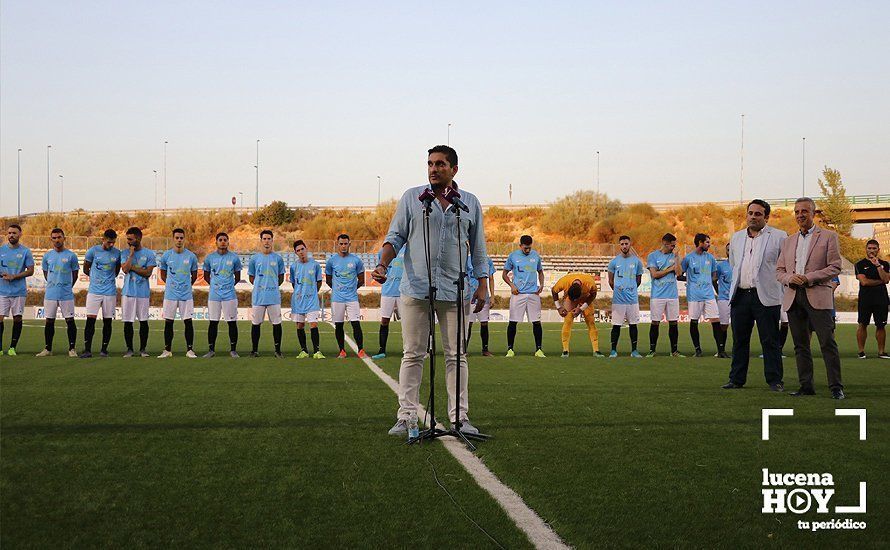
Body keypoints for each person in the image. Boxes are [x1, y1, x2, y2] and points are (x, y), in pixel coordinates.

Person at [372, 145, 489, 436]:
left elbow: (478, 248)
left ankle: (460, 419)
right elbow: (395, 237)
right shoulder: (413, 198)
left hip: (455, 290)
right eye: (430, 164)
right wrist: (383, 264)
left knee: (456, 355)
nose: (433, 169)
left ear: (454, 169)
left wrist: (483, 284)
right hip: (415, 289)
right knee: (413, 354)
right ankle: (406, 417)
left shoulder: (470, 203)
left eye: (440, 164)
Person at [776, 197, 844, 399]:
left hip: (818, 296)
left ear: (814, 214)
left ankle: (836, 387)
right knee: (800, 345)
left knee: (827, 343)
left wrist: (808, 278)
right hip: (793, 297)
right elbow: (779, 271)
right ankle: (806, 386)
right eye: (797, 212)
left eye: (804, 211)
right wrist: (790, 278)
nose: (800, 215)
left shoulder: (829, 237)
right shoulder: (788, 241)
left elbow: (835, 266)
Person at [723, 199, 787, 391]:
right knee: (739, 340)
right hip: (741, 295)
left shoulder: (779, 236)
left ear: (766, 217)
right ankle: (736, 379)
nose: (753, 217)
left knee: (770, 340)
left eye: (758, 214)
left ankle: (775, 380)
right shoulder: (736, 237)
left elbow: (783, 265)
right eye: (750, 213)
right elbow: (734, 264)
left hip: (766, 295)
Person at [37, 228, 79, 357]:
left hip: (66, 294)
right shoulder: (47, 256)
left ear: (64, 238)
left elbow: (75, 275)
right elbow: (46, 273)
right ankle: (47, 349)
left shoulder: (71, 256)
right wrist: (53, 284)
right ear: (51, 240)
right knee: (49, 321)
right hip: (50, 294)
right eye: (54, 238)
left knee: (70, 320)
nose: (57, 240)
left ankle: (72, 349)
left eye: (59, 237)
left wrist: (66, 286)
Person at [680, 233, 724, 357]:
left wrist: (712, 285)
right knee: (694, 321)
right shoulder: (688, 258)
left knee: (716, 320)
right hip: (694, 295)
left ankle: (720, 350)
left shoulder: (710, 258)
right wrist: (691, 281)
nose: (709, 245)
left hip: (709, 295)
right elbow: (680, 273)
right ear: (700, 242)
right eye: (707, 242)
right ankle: (698, 350)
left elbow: (714, 275)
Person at [158, 228, 199, 358]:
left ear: (184, 239)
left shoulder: (191, 256)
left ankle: (190, 350)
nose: (179, 240)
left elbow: (194, 275)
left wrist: (185, 286)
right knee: (169, 322)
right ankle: (167, 350)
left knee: (188, 321)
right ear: (173, 239)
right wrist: (171, 285)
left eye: (181, 238)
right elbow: (163, 274)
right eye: (177, 238)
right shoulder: (166, 256)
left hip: (186, 295)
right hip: (170, 294)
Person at [80, 229, 121, 358]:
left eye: (113, 242)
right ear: (103, 239)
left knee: (107, 321)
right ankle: (87, 350)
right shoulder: (93, 251)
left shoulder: (117, 253)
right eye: (109, 242)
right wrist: (96, 278)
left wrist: (107, 280)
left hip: (109, 292)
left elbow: (117, 270)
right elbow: (86, 268)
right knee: (90, 320)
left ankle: (104, 349)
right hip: (94, 291)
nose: (111, 245)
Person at [503, 235, 545, 357]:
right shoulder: (513, 256)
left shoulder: (535, 255)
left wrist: (541, 284)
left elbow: (540, 272)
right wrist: (511, 285)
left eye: (529, 248)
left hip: (533, 294)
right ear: (520, 245)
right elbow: (504, 274)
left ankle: (539, 350)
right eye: (525, 248)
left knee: (536, 322)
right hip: (518, 294)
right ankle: (510, 349)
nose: (527, 250)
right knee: (513, 321)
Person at [326, 234, 366, 358]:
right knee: (339, 324)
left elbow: (361, 279)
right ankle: (342, 351)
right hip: (337, 299)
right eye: (341, 244)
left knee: (356, 323)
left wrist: (352, 289)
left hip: (352, 298)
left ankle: (360, 350)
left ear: (349, 244)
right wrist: (338, 290)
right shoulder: (331, 261)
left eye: (345, 243)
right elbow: (328, 280)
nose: (343, 246)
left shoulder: (356, 260)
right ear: (337, 244)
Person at [202, 232, 242, 358]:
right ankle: (211, 350)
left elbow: (238, 277)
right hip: (214, 296)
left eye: (225, 239)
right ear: (216, 242)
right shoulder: (210, 258)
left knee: (231, 322)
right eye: (220, 239)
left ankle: (233, 350)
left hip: (229, 295)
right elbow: (206, 275)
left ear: (228, 242)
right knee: (213, 322)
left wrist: (227, 287)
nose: (223, 242)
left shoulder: (234, 258)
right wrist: (215, 285)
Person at [248, 229, 285, 358]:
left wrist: (271, 286)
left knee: (276, 323)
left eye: (269, 239)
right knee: (256, 324)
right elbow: (251, 277)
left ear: (272, 240)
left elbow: (281, 277)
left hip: (273, 297)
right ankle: (254, 350)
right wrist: (260, 286)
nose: (267, 241)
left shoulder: (278, 259)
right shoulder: (254, 259)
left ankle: (277, 350)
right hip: (258, 297)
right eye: (264, 239)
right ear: (261, 240)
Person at [646, 233, 684, 357]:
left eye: (674, 245)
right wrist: (669, 269)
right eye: (672, 246)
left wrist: (677, 258)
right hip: (657, 295)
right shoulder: (653, 256)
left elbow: (678, 274)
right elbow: (654, 275)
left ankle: (674, 351)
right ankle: (652, 350)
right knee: (655, 322)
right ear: (664, 243)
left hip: (672, 295)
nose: (673, 248)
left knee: (673, 322)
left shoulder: (675, 255)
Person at [120, 227, 156, 357]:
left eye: (131, 239)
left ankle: (143, 349)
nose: (128, 241)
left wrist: (133, 268)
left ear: (139, 238)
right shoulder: (124, 253)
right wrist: (131, 254)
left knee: (143, 321)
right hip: (128, 292)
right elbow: (125, 269)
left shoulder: (149, 254)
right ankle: (129, 349)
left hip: (143, 293)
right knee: (128, 322)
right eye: (127, 239)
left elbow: (147, 273)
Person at [0, 224, 35, 356]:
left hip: (18, 292)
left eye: (14, 233)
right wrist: (3, 275)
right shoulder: (1, 250)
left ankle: (12, 348)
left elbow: (30, 271)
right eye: (9, 233)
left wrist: (14, 276)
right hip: (2, 291)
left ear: (20, 234)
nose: (11, 235)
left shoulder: (25, 251)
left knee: (17, 319)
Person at [607, 235, 644, 357]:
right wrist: (619, 291)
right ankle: (613, 350)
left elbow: (638, 280)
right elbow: (611, 281)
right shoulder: (613, 262)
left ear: (630, 244)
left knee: (633, 325)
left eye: (626, 244)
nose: (624, 246)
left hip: (632, 300)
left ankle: (634, 350)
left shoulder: (637, 262)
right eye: (622, 244)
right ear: (619, 246)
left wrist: (630, 290)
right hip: (618, 300)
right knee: (616, 325)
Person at [551, 272, 603, 357]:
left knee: (591, 322)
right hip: (569, 298)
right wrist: (559, 307)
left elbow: (593, 295)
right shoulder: (564, 281)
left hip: (586, 298)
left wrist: (581, 308)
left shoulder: (589, 282)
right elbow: (554, 291)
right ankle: (565, 351)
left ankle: (596, 350)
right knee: (567, 319)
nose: (575, 301)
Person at [855, 239, 890, 358]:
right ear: (866, 249)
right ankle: (861, 351)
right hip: (865, 299)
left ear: (878, 250)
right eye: (869, 248)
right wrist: (880, 281)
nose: (871, 250)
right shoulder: (859, 264)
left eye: (874, 248)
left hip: (881, 298)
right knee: (862, 324)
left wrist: (878, 266)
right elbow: (864, 282)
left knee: (881, 325)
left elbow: (886, 279)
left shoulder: (885, 264)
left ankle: (881, 351)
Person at [290, 239, 325, 359]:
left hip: (312, 300)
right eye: (298, 250)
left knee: (313, 324)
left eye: (302, 249)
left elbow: (319, 281)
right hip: (298, 301)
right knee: (300, 325)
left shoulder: (315, 265)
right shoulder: (294, 266)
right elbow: (294, 284)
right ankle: (304, 351)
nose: (301, 252)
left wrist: (312, 293)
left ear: (306, 249)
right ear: (296, 253)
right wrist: (300, 293)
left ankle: (317, 351)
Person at [373, 247, 404, 359]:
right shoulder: (384, 251)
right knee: (384, 320)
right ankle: (382, 350)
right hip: (387, 291)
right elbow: (380, 269)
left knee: (406, 323)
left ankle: (408, 350)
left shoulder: (409, 249)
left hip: (403, 292)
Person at [467, 254, 495, 356]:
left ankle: (485, 349)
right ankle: (464, 350)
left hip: (484, 297)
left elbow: (491, 278)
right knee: (468, 323)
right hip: (469, 297)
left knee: (484, 323)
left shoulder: (488, 260)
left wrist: (492, 296)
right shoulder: (467, 259)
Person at [715, 243, 733, 356]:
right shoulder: (721, 266)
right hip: (724, 299)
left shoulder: (741, 264)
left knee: (738, 326)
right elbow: (714, 279)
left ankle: (738, 350)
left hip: (738, 299)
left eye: (731, 249)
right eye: (727, 250)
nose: (729, 252)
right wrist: (719, 291)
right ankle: (721, 350)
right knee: (724, 325)